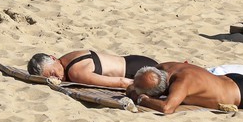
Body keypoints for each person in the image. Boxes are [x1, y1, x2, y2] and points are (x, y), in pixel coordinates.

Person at [27, 49, 163, 89]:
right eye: (50, 78)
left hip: (138, 72)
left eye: (52, 73)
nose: (56, 79)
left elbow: (121, 82)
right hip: (135, 60)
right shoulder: (68, 57)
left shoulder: (75, 72)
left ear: (53, 58)